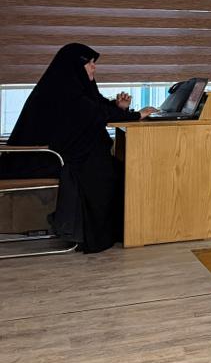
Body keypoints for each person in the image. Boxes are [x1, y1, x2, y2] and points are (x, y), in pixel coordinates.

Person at [4, 43, 155, 253]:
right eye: (90, 63)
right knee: (107, 172)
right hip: (42, 158)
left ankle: (121, 231)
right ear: (75, 67)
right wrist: (136, 115)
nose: (94, 67)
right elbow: (93, 113)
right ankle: (95, 235)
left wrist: (119, 108)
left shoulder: (72, 86)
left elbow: (96, 106)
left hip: (55, 153)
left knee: (112, 167)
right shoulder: (62, 89)